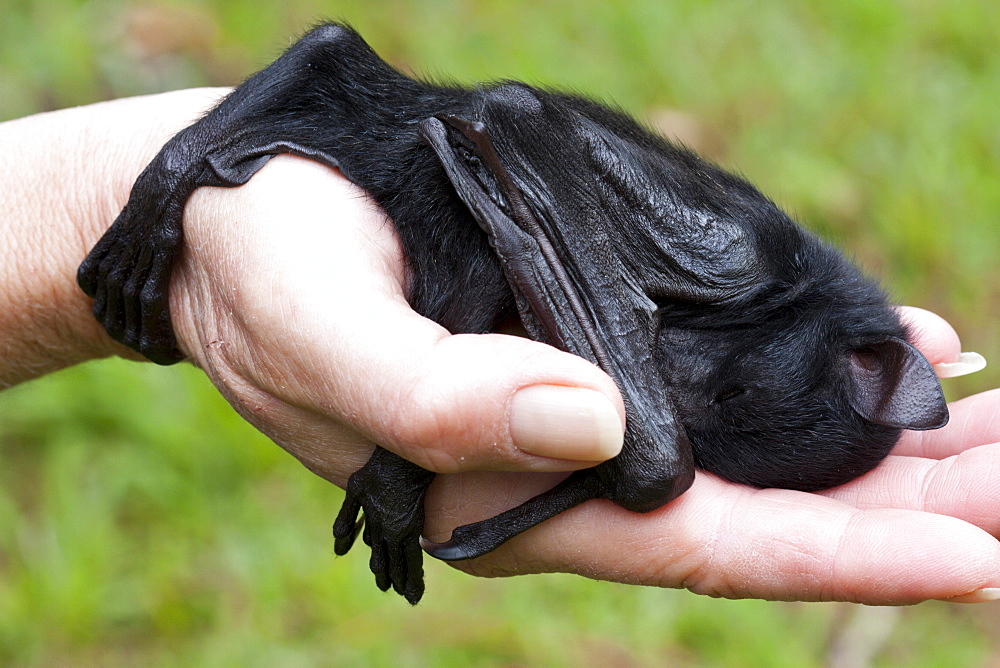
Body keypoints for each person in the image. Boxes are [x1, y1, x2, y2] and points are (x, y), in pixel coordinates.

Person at [2, 89, 998, 605]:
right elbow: (506, 121)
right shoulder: (724, 253)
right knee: (651, 454)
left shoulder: (720, 315)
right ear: (858, 360)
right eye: (728, 399)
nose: (696, 396)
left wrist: (106, 197)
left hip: (458, 208)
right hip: (459, 162)